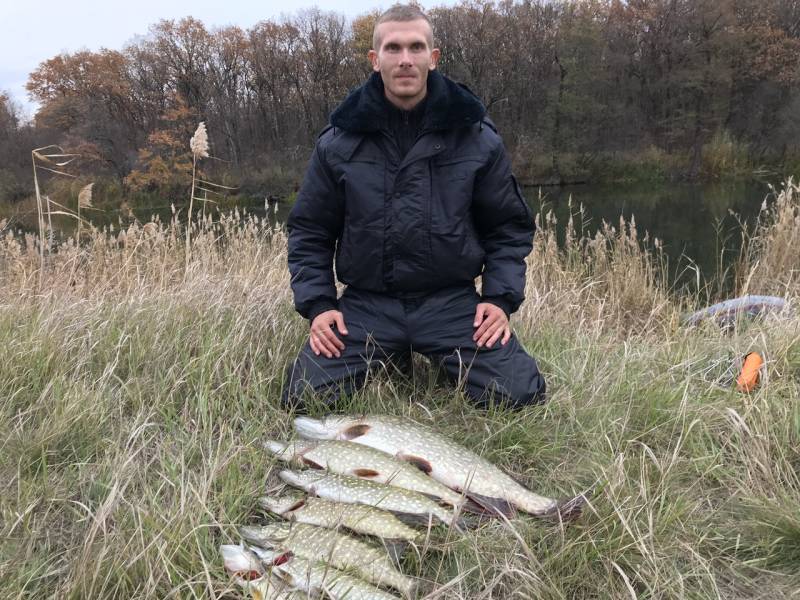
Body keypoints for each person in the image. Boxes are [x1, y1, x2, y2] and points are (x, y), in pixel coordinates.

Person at [281, 3, 546, 411]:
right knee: (304, 400)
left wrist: (498, 299)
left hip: (452, 303)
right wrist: (319, 306)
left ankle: (440, 356)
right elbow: (310, 231)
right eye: (393, 48)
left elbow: (508, 228)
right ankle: (391, 353)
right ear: (375, 60)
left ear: (432, 58)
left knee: (520, 396)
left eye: (416, 47)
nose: (405, 59)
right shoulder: (338, 142)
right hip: (367, 305)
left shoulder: (476, 137)